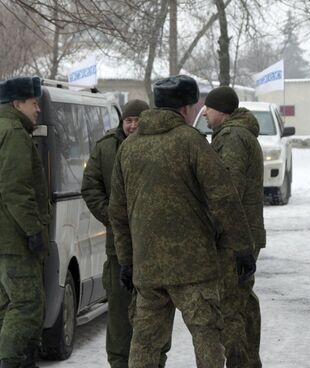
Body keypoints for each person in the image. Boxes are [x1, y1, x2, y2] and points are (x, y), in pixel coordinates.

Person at [108, 75, 256, 368]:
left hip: (147, 267)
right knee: (207, 340)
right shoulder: (191, 142)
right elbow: (224, 197)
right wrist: (242, 246)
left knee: (146, 345)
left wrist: (126, 261)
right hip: (194, 268)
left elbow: (118, 210)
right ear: (187, 108)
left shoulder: (128, 147)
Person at [0, 76, 50, 368]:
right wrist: (33, 230)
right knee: (26, 304)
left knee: (4, 305)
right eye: (33, 103)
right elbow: (16, 190)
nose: (37, 109)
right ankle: (10, 362)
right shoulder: (14, 134)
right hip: (14, 240)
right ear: (17, 103)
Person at [81, 98, 165, 368]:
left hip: (153, 249)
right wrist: (113, 218)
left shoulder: (161, 145)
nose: (132, 125)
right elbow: (90, 187)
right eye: (128, 121)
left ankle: (155, 361)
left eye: (137, 121)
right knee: (118, 315)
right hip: (118, 249)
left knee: (155, 313)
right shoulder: (106, 148)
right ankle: (119, 362)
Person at [203, 86, 266, 368]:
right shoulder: (241, 135)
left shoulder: (232, 138)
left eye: (209, 108)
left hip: (233, 239)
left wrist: (212, 229)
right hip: (244, 236)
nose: (204, 112)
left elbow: (226, 192)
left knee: (230, 309)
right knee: (243, 302)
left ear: (222, 111)